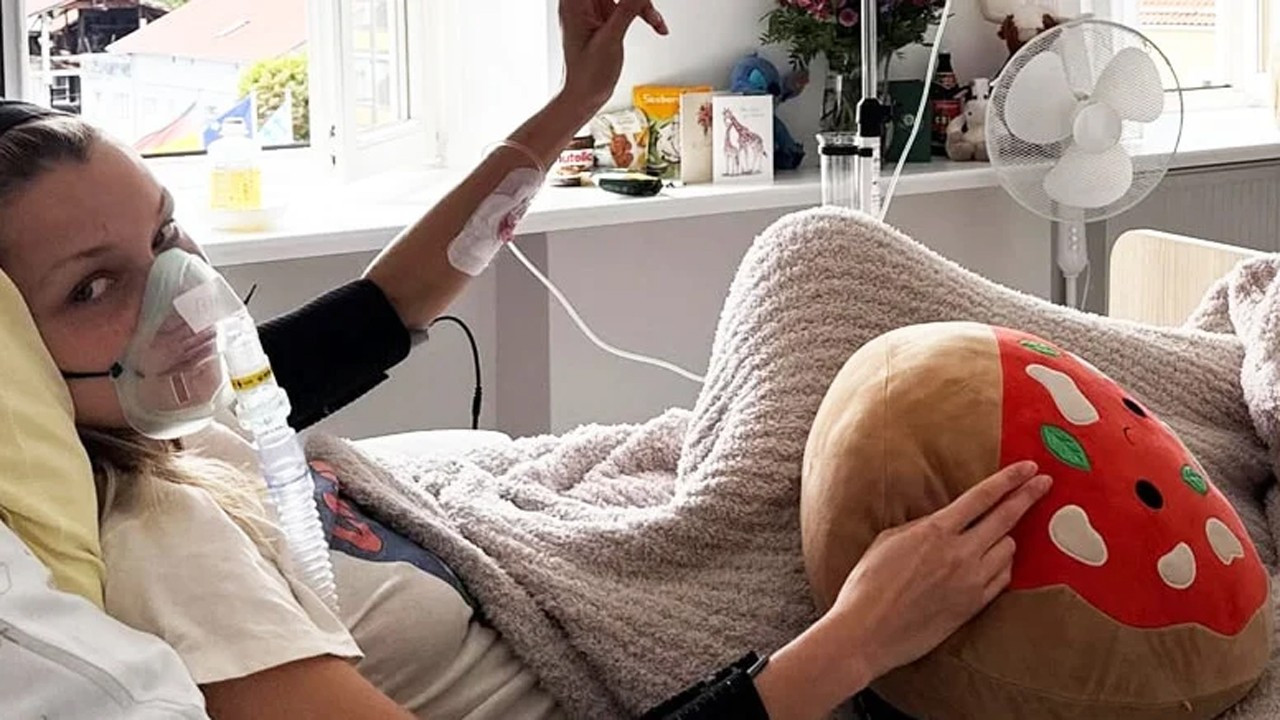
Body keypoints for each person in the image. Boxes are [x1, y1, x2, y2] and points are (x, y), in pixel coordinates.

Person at [0, 1, 1053, 718]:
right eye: (92, 288)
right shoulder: (168, 554)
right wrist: (855, 641)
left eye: (166, 234)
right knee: (822, 266)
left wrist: (576, 99)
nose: (181, 296)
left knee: (820, 258)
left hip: (542, 547)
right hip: (648, 661)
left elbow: (387, 307)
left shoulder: (196, 417)